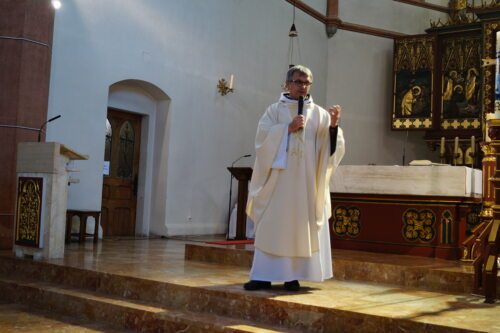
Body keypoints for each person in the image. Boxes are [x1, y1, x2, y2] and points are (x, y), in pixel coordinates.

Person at [244, 65, 345, 291]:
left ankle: (294, 276)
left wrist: (334, 127)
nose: (303, 87)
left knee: (301, 226)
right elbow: (261, 142)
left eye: (307, 82)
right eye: (299, 82)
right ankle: (262, 276)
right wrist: (286, 129)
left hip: (306, 184)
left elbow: (331, 150)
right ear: (287, 84)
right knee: (272, 225)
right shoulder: (273, 111)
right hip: (278, 183)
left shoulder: (319, 114)